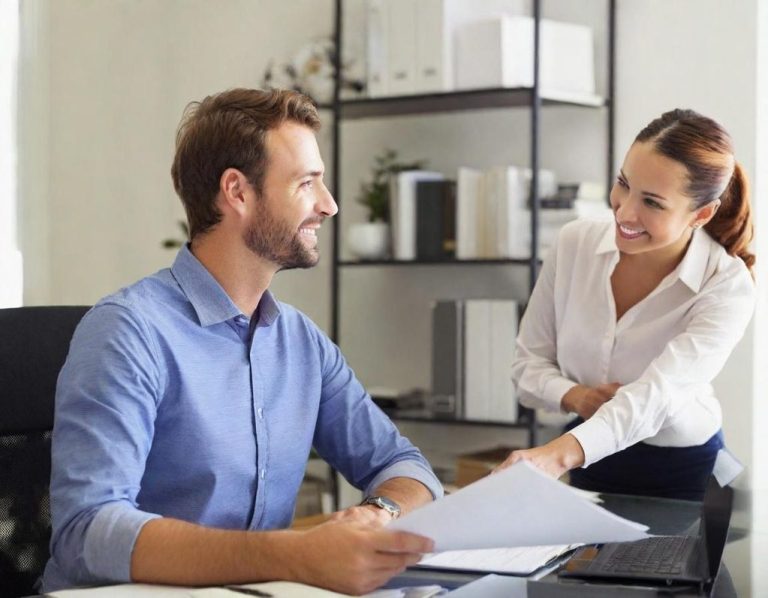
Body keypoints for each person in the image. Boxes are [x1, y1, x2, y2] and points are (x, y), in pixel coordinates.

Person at [42, 88, 441, 595]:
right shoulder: (127, 332)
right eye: (306, 183)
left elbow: (404, 466)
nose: (329, 205)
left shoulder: (301, 341)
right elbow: (87, 530)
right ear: (237, 192)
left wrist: (377, 514)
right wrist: (295, 555)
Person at [497, 108, 755, 501]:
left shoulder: (726, 284)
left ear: (701, 214)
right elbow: (527, 367)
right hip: (591, 458)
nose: (624, 211)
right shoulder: (574, 243)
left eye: (652, 202)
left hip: (685, 472)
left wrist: (555, 456)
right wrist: (578, 397)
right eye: (623, 183)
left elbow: (656, 397)